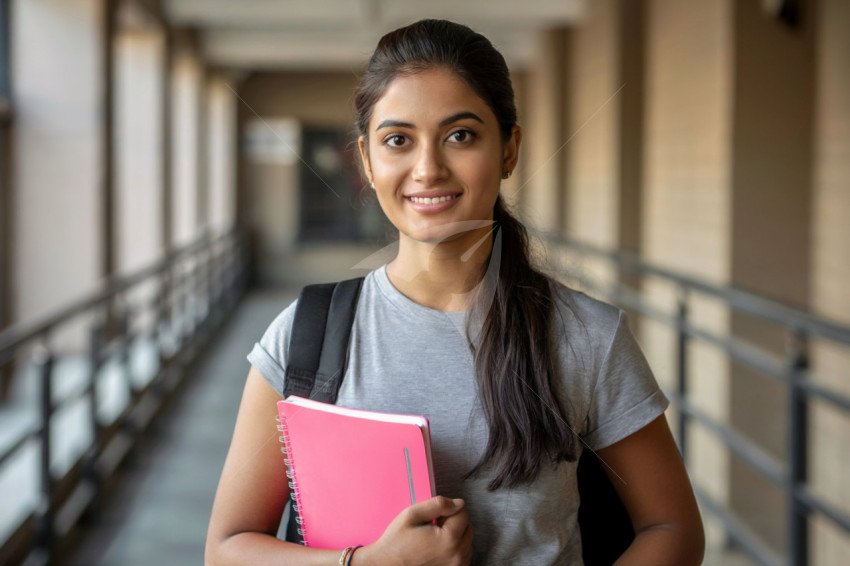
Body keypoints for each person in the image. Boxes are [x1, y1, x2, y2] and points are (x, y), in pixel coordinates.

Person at [206, 18, 704, 566]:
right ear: (367, 162)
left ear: (509, 149)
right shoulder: (307, 335)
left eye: (460, 135)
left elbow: (672, 527)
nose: (428, 168)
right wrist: (369, 563)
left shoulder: (586, 336)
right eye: (398, 140)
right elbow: (227, 548)